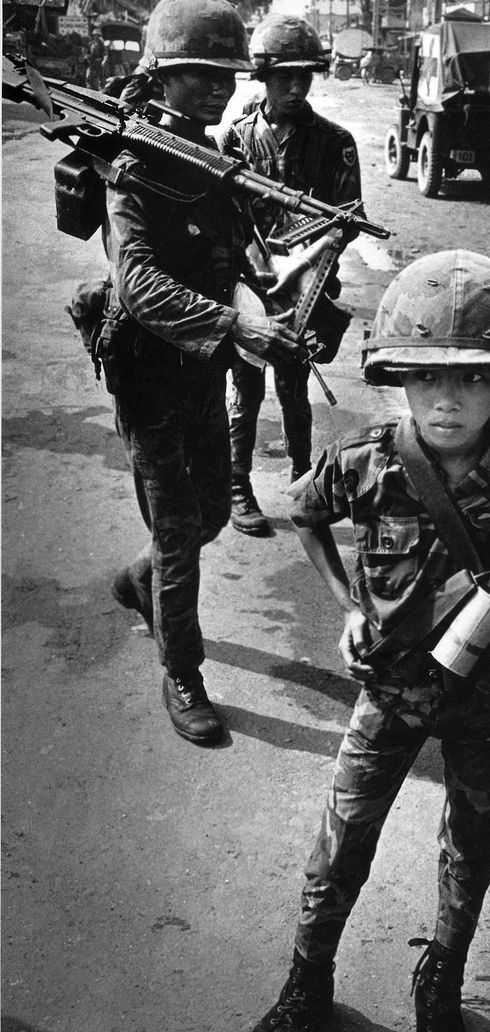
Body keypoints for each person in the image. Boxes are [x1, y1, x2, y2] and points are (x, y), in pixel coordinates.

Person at [251, 250, 490, 1032]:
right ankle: (307, 981)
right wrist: (345, 607)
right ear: (398, 378)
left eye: (473, 378)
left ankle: (442, 977)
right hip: (390, 686)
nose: (447, 399)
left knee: (470, 844)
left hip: (487, 689)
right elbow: (305, 517)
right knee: (343, 838)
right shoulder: (365, 459)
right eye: (427, 378)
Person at [104, 0, 303, 744]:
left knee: (213, 514)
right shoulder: (132, 166)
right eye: (198, 77)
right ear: (162, 75)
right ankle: (182, 670)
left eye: (225, 76)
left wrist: (271, 286)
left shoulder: (211, 161)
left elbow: (239, 255)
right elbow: (140, 286)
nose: (217, 89)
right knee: (183, 532)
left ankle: (137, 578)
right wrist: (235, 324)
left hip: (202, 373)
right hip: (149, 375)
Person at [220, 14, 362, 536]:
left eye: (304, 76)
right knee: (247, 389)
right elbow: (223, 215)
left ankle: (303, 483)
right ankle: (239, 487)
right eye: (285, 77)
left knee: (294, 390)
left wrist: (298, 264)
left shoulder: (333, 141)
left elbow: (344, 222)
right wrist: (255, 269)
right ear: (263, 77)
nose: (296, 87)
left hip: (307, 286)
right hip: (251, 286)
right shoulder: (236, 138)